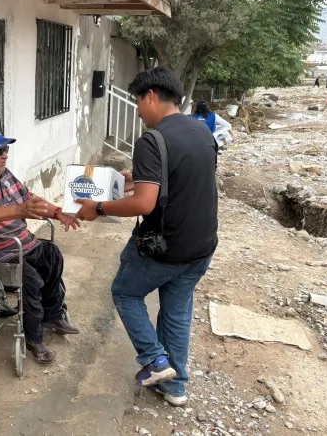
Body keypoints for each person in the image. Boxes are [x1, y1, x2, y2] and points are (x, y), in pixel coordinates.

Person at [75, 68, 218, 407]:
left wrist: (96, 208)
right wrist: (138, 175)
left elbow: (144, 203)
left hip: (165, 247)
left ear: (151, 95)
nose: (137, 109)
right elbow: (184, 174)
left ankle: (155, 360)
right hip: (202, 245)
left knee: (124, 292)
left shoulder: (151, 140)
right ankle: (175, 387)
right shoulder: (202, 131)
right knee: (177, 310)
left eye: (138, 101)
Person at [0, 128, 80, 364]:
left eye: (7, 149)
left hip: (20, 243)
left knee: (52, 256)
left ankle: (52, 314)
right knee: (30, 277)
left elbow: (29, 199)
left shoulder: (5, 175)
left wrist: (58, 212)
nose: (5, 155)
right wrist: (18, 211)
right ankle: (34, 338)